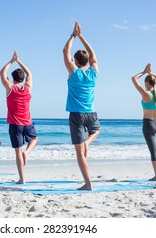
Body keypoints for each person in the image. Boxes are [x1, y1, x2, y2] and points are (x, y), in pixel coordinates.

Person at [63, 22, 100, 190]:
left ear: (76, 61)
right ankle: (88, 142)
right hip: (91, 113)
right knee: (96, 131)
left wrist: (73, 35)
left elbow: (65, 52)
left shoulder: (74, 71)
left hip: (77, 115)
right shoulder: (94, 73)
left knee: (80, 153)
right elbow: (93, 55)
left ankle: (88, 183)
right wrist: (82, 36)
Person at [0, 50, 38, 184]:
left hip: (15, 124)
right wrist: (19, 61)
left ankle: (22, 179)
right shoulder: (28, 88)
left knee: (18, 152)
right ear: (22, 78)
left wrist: (11, 61)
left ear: (13, 78)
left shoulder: (10, 88)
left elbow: (2, 73)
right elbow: (30, 73)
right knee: (34, 140)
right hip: (28, 122)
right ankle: (27, 153)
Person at [132, 63, 156, 181]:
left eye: (145, 82)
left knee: (152, 151)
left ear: (148, 83)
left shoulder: (145, 93)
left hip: (148, 123)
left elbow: (133, 79)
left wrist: (144, 72)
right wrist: (151, 74)